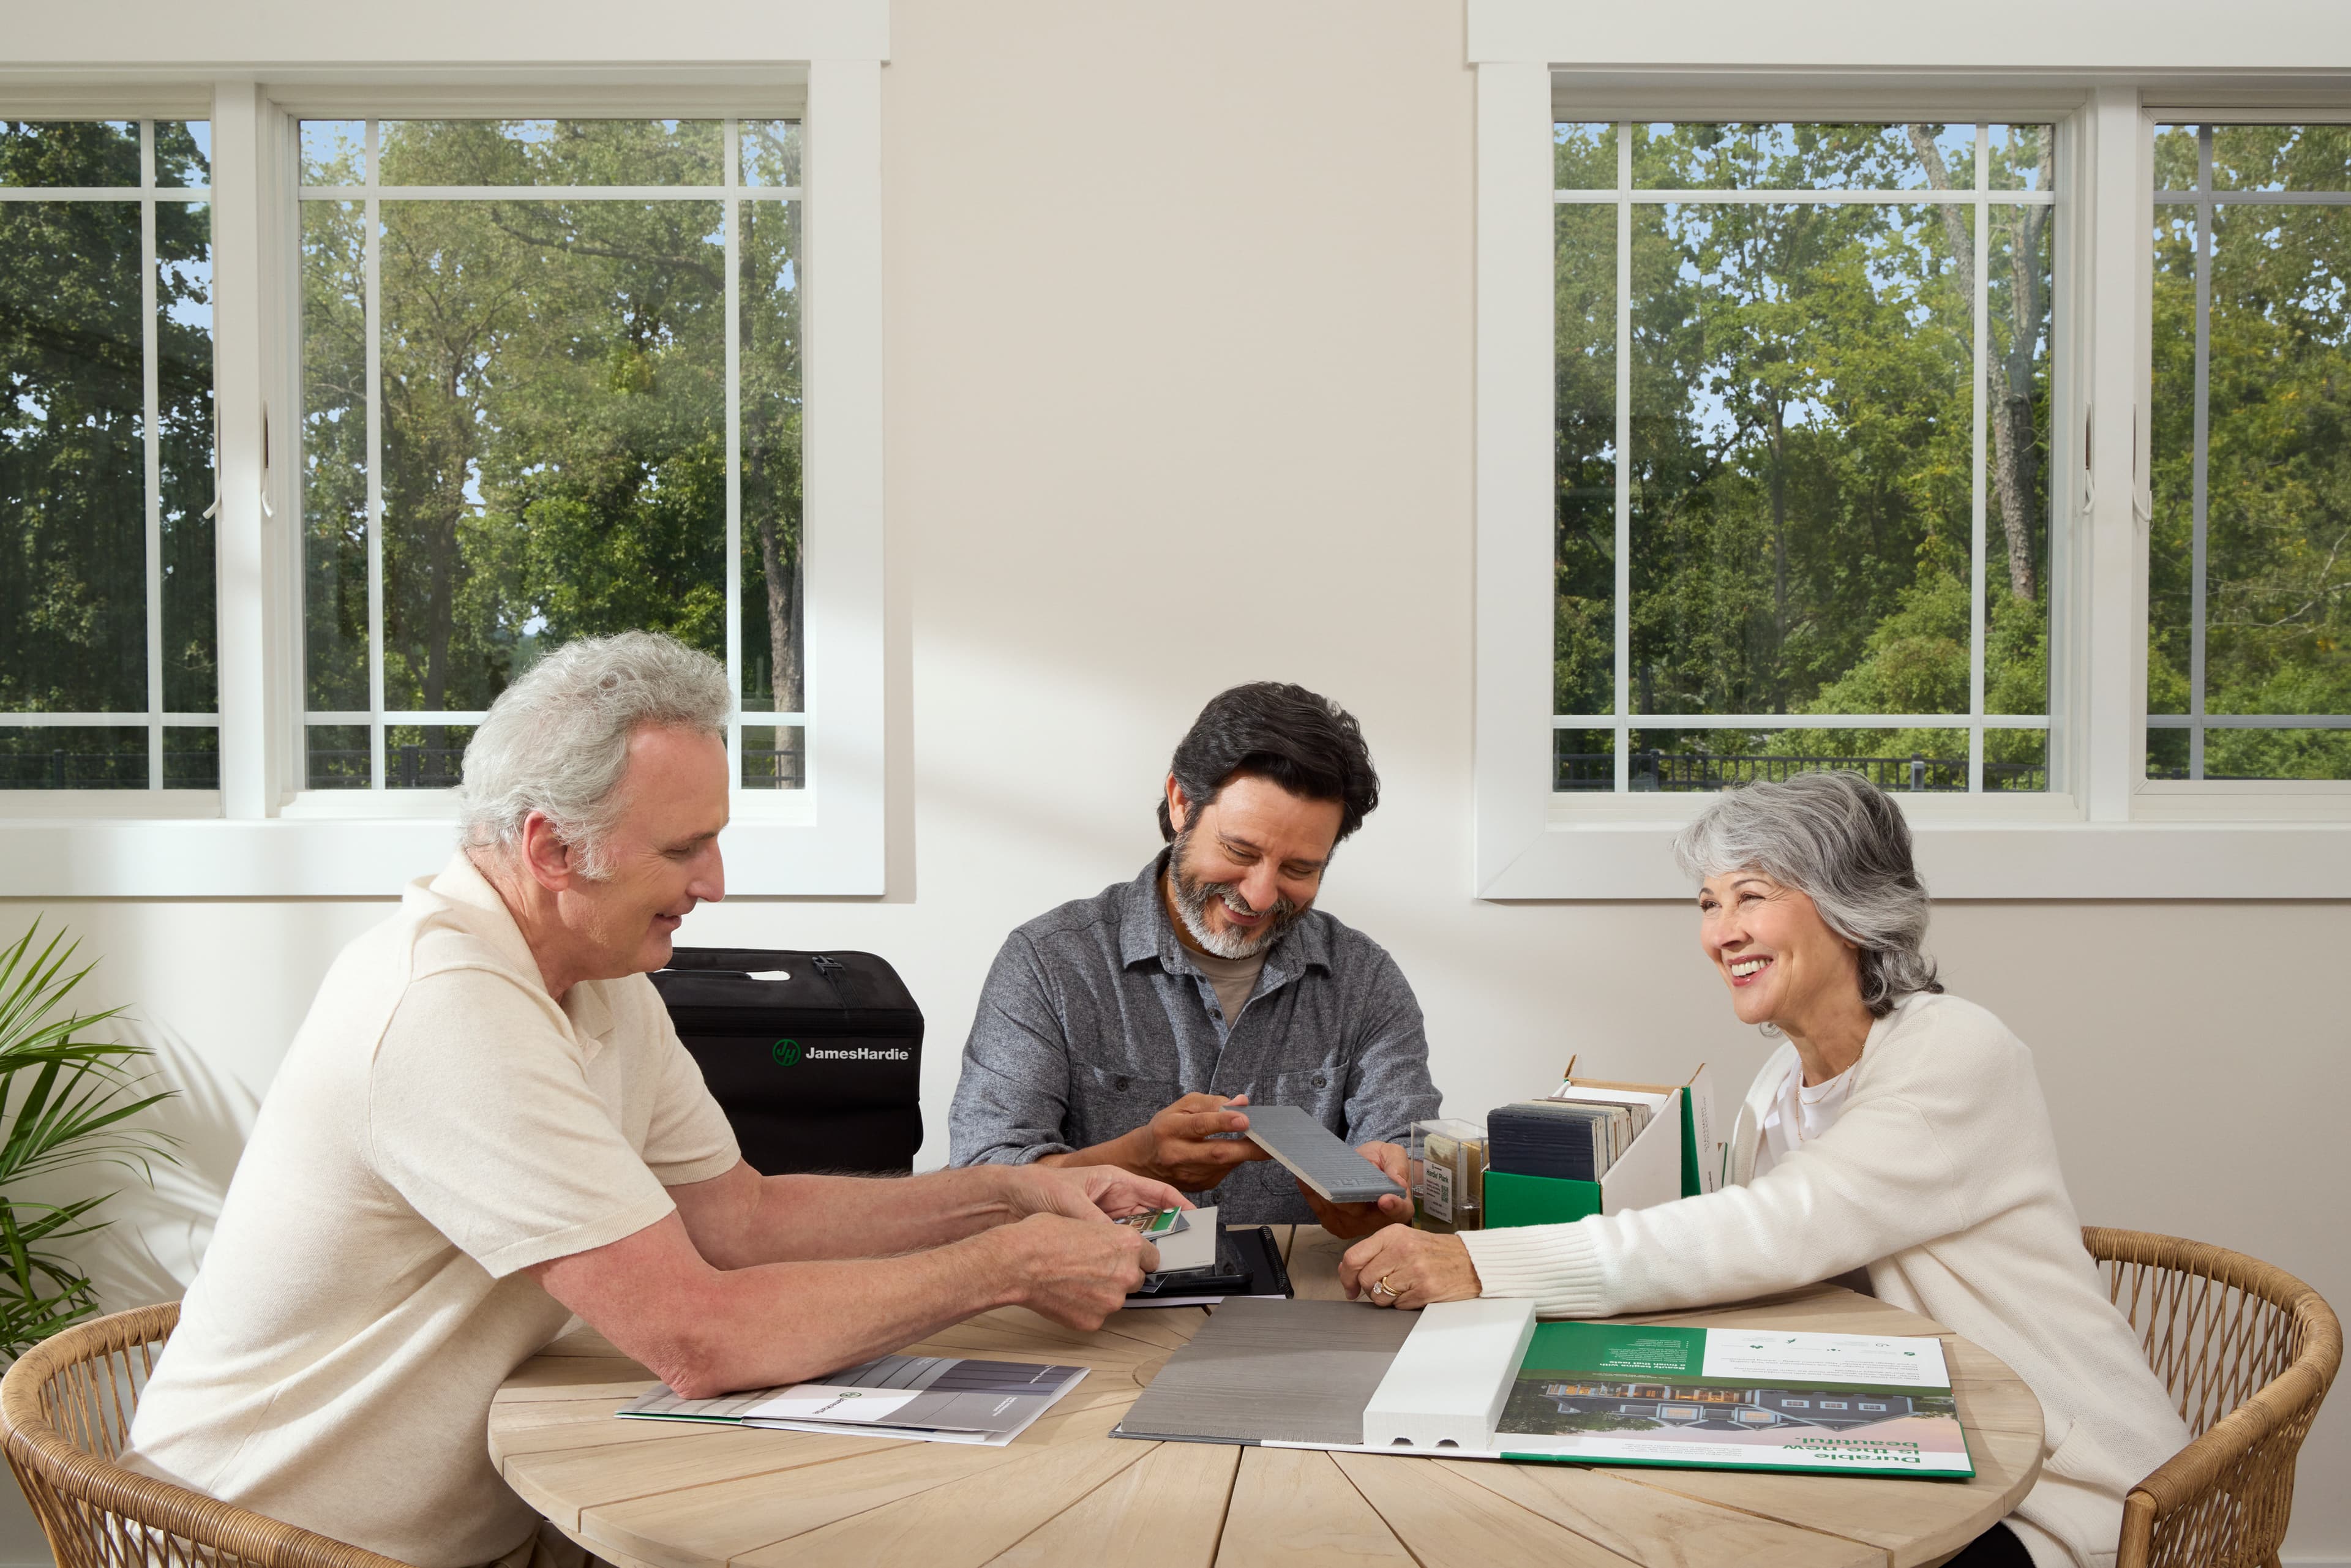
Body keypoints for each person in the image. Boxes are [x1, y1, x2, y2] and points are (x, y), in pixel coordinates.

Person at [122, 632, 1182, 1568]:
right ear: (550, 847)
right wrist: (1004, 1268)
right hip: (258, 1542)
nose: (716, 881)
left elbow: (740, 1219)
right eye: (683, 848)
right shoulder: (445, 1005)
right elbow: (698, 1334)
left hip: (479, 1525)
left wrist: (1011, 1196)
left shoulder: (602, 977)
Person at [1336, 770, 2189, 1568]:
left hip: (2049, 1486)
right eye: (1709, 902)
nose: (1721, 932)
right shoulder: (1781, 1080)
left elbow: (1769, 1229)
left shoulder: (1956, 1050)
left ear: (1852, 905)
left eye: (1752, 896)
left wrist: (1481, 1265)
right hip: (1901, 1438)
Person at [948, 681, 1439, 1234]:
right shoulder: (1049, 962)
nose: (1259, 895)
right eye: (1240, 851)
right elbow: (980, 1186)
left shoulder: (1365, 980)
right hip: (1095, 1306)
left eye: (1299, 869)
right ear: (1182, 803)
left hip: (1302, 1305)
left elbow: (1407, 1152)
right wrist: (1136, 1158)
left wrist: (1387, 1194)